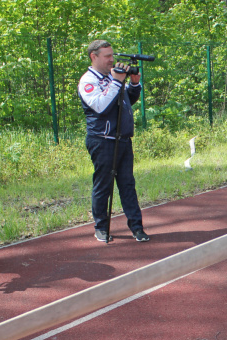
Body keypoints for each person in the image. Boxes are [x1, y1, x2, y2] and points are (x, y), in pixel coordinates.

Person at [79, 39, 149, 243]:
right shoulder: (87, 81)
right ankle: (101, 227)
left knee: (128, 184)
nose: (112, 60)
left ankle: (137, 227)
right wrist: (117, 81)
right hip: (102, 141)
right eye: (107, 56)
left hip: (124, 140)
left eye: (112, 55)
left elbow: (124, 101)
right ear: (94, 56)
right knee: (103, 185)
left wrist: (134, 84)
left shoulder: (112, 77)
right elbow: (100, 106)